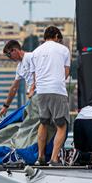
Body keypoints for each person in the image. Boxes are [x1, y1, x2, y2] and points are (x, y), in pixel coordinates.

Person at [31, 26, 71, 166]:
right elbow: (66, 73)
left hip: (41, 91)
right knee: (61, 124)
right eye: (59, 39)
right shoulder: (63, 49)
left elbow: (35, 76)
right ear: (56, 36)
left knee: (43, 123)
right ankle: (54, 159)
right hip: (57, 90)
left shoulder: (35, 52)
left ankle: (40, 157)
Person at [0, 40, 36, 119]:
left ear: (15, 50)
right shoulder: (19, 67)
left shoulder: (30, 57)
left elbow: (39, 75)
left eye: (9, 54)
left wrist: (32, 89)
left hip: (38, 93)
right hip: (32, 98)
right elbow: (14, 88)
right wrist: (5, 106)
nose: (9, 58)